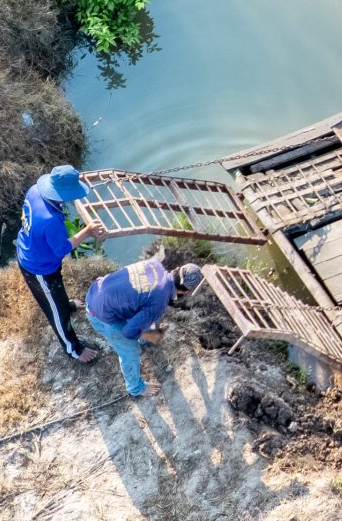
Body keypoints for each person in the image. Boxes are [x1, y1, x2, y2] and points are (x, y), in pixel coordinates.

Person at [84, 254, 204, 399]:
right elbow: (128, 332)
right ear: (185, 291)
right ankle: (135, 388)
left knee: (141, 305)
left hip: (96, 292)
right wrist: (141, 335)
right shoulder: (159, 301)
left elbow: (144, 299)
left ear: (177, 270)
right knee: (131, 351)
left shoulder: (154, 265)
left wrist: (151, 330)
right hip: (101, 316)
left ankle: (147, 337)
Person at [16, 165, 99, 365]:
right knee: (56, 311)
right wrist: (87, 231)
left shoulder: (35, 190)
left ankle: (66, 305)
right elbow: (62, 249)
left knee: (58, 295)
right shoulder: (50, 220)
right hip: (38, 269)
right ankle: (72, 348)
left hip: (34, 253)